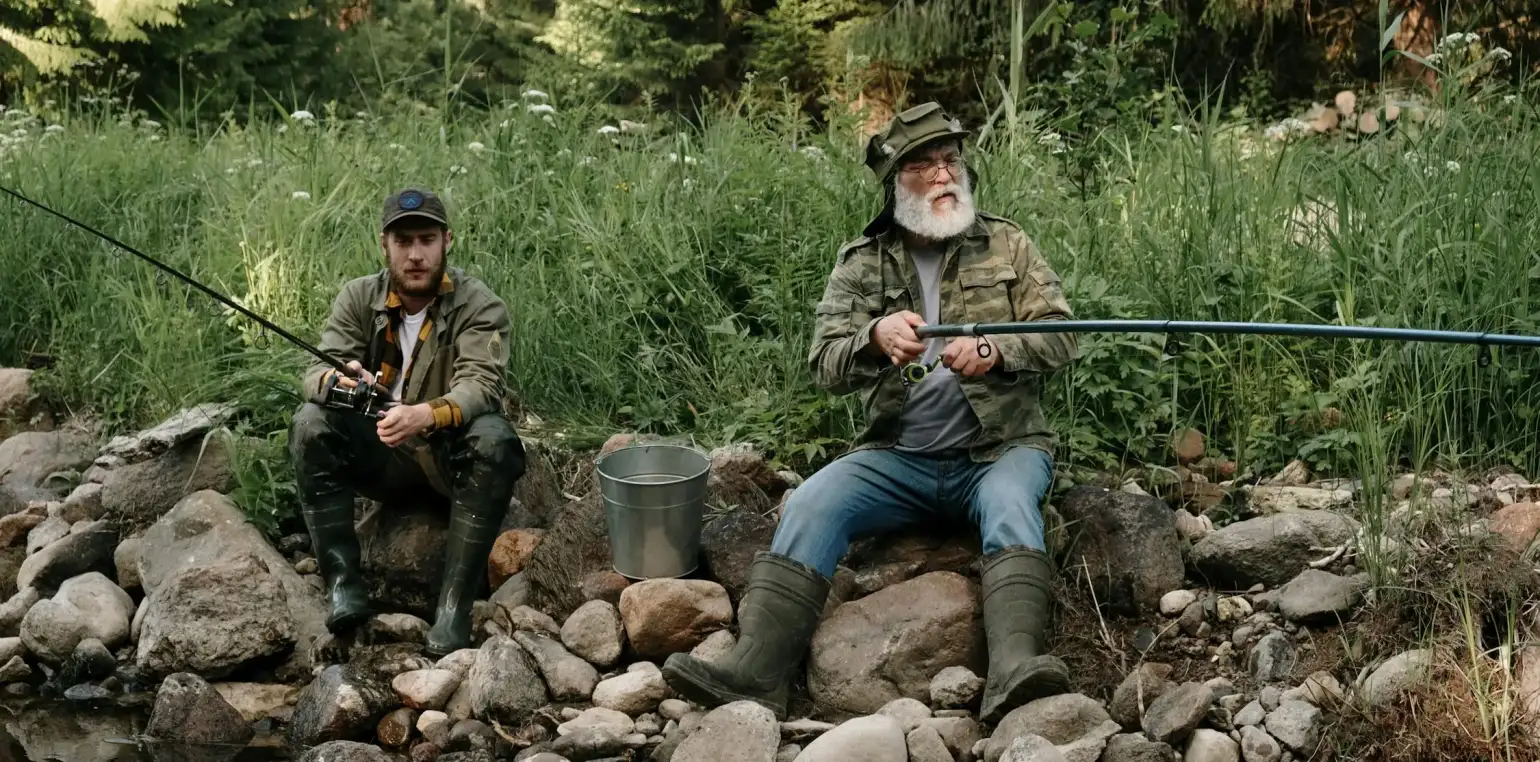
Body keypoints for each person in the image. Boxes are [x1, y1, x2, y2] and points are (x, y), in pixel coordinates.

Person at [661, 103, 1079, 723]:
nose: (943, 175)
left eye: (950, 160)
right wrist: (873, 339)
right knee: (811, 502)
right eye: (923, 165)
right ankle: (756, 672)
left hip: (1001, 451)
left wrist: (996, 349)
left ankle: (1013, 670)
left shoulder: (1008, 241)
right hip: (898, 458)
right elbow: (824, 363)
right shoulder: (861, 262)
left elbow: (1063, 336)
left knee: (1012, 504)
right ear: (895, 185)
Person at [288, 187, 525, 657]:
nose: (415, 255)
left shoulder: (481, 305)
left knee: (496, 438)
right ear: (385, 245)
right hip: (381, 456)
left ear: (446, 241)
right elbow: (314, 374)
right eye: (403, 242)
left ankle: (453, 612)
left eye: (426, 240)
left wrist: (424, 415)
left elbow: (480, 386)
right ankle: (344, 589)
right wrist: (342, 382)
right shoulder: (358, 297)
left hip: (447, 461)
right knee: (310, 423)